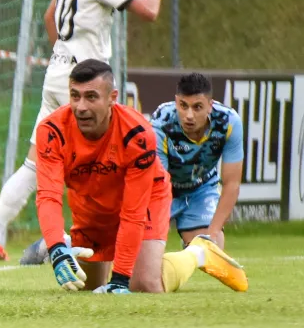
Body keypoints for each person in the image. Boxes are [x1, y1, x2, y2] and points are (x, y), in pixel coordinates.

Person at [0, 0, 162, 261]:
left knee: (37, 163)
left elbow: (50, 16)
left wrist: (62, 57)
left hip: (60, 74)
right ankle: (67, 241)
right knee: (104, 161)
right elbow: (149, 12)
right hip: (85, 85)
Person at [34, 60, 245, 294]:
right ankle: (62, 243)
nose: (81, 107)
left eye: (91, 97)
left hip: (146, 198)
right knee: (85, 286)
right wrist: (55, 247)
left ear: (112, 98)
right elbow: (48, 195)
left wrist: (121, 278)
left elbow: (133, 211)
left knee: (144, 284)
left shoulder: (138, 133)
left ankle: (199, 252)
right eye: (75, 96)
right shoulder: (51, 131)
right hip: (91, 204)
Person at [148, 72, 249, 289]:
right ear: (176, 102)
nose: (189, 115)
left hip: (200, 189)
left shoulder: (229, 122)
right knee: (144, 258)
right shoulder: (161, 120)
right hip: (162, 190)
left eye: (197, 107)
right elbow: (157, 183)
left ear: (210, 106)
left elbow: (232, 184)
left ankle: (192, 253)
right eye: (183, 106)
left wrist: (212, 234)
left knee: (215, 246)